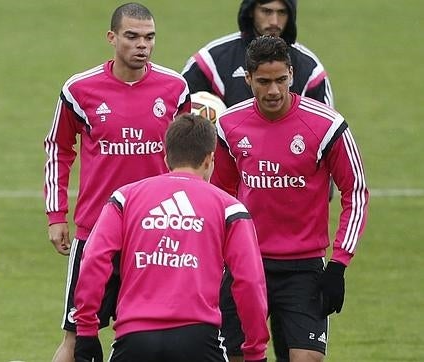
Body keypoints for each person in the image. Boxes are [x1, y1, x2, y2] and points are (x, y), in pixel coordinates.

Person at [43, 3, 191, 361]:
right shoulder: (80, 89)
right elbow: (58, 148)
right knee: (76, 339)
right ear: (112, 38)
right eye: (132, 36)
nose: (142, 45)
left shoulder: (175, 88)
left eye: (149, 37)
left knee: (148, 339)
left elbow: (190, 162)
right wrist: (57, 215)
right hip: (96, 233)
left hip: (157, 233)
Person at [211, 35, 369, 362]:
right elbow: (218, 196)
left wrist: (339, 264)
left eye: (281, 80)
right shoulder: (229, 126)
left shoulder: (327, 126)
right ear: (248, 77)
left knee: (306, 358)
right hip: (245, 264)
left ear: (292, 76)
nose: (273, 91)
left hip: (304, 271)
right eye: (264, 81)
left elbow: (356, 191)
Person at [73, 113, 269, 362]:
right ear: (210, 159)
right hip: (199, 340)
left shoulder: (125, 197)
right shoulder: (230, 208)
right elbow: (249, 281)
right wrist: (255, 349)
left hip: (134, 339)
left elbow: (94, 259)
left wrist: (87, 329)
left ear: (165, 157)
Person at [182, 0, 333, 108]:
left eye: (282, 12)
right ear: (251, 11)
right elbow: (176, 112)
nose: (274, 21)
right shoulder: (211, 60)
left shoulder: (310, 70)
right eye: (267, 11)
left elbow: (328, 133)